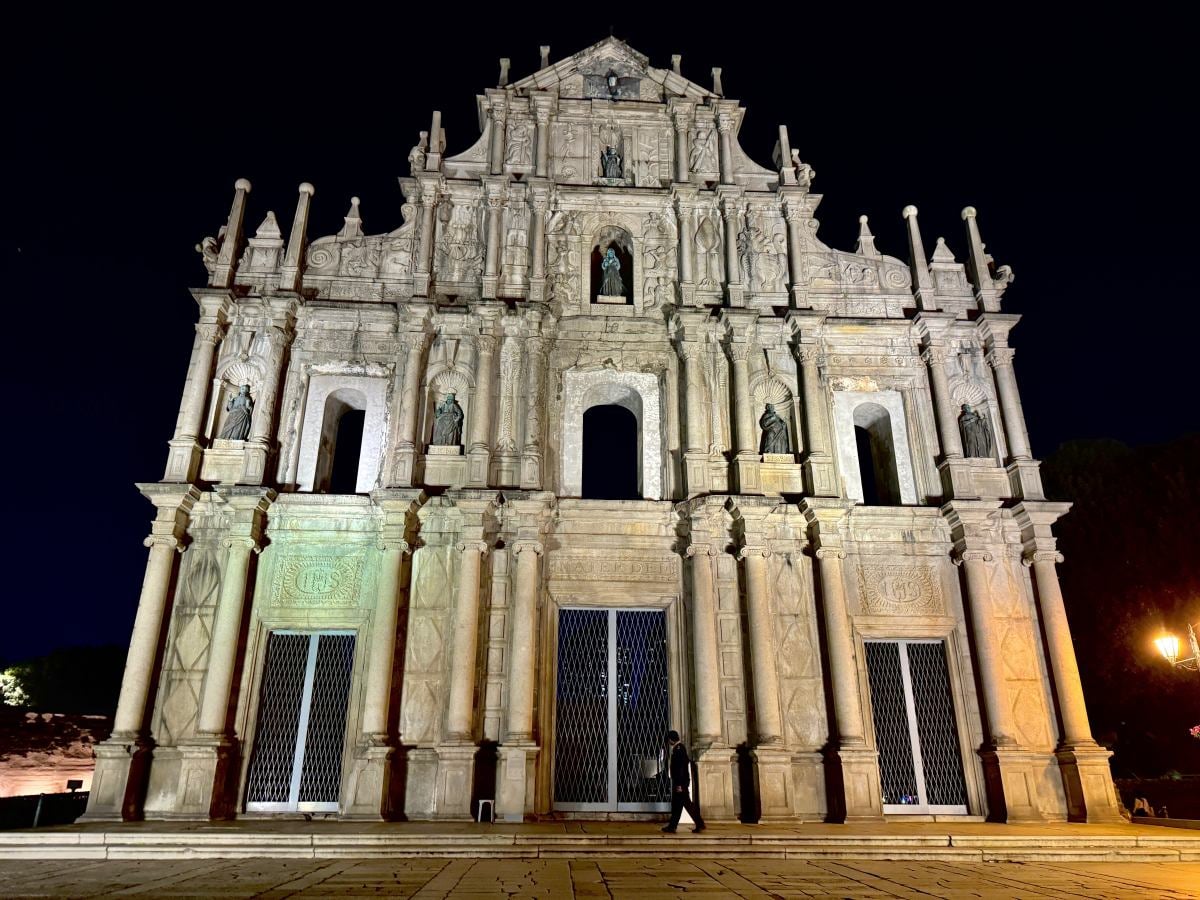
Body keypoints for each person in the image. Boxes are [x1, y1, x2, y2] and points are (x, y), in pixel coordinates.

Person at [661, 729, 706, 833]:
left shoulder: (679, 749)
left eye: (668, 740)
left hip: (680, 784)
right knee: (678, 806)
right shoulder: (679, 748)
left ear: (671, 739)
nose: (668, 742)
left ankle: (699, 824)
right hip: (680, 783)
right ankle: (673, 826)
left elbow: (680, 769)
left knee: (686, 805)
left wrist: (680, 785)